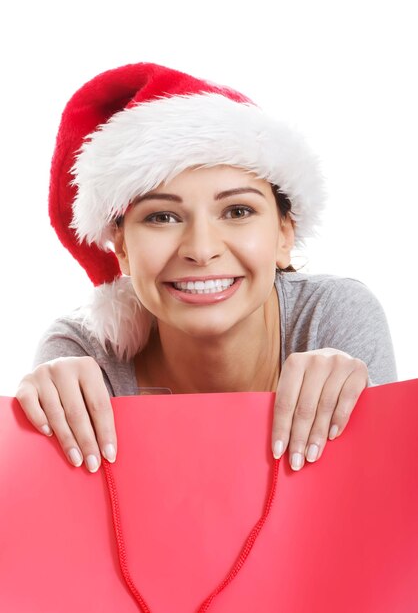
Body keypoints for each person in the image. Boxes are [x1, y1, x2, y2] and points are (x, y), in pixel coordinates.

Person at [15, 62, 397, 476]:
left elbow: (373, 517)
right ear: (122, 248)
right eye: (162, 217)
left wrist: (368, 415)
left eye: (237, 210)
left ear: (284, 235)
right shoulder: (84, 356)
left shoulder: (333, 317)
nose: (201, 249)